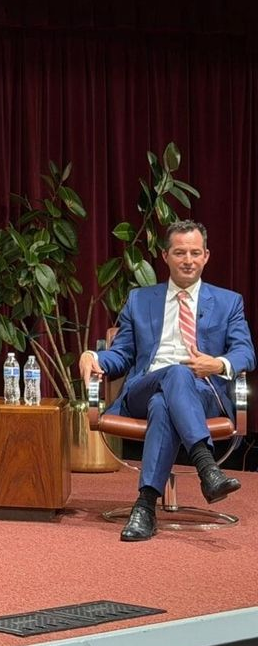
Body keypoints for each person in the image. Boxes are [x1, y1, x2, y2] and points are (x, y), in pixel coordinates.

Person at [79, 219, 254, 542]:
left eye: (195, 252)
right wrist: (94, 356)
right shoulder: (140, 299)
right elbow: (122, 355)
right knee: (173, 374)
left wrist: (217, 363)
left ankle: (145, 505)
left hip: (203, 392)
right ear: (165, 256)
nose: (188, 259)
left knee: (165, 403)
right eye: (180, 252)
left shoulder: (229, 302)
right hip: (143, 390)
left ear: (206, 256)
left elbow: (246, 352)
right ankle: (207, 467)